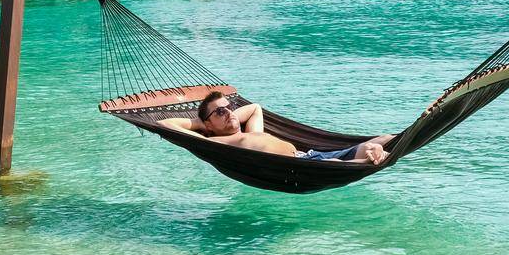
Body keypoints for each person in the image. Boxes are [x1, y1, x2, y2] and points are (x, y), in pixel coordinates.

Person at [160, 90, 393, 164]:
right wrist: (199, 123)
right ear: (209, 125)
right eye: (220, 111)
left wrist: (224, 114)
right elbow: (165, 123)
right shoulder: (215, 143)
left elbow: (255, 108)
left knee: (382, 139)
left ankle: (420, 125)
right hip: (303, 167)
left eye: (229, 107)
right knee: (340, 164)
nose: (229, 112)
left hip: (309, 156)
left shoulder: (252, 132)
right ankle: (374, 159)